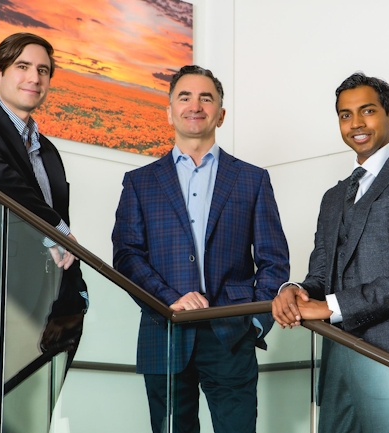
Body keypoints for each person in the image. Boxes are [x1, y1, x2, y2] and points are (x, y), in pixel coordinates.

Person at [112, 65, 289, 433]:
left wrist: (255, 321)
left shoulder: (252, 179)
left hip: (231, 335)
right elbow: (127, 256)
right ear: (169, 111)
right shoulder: (140, 183)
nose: (196, 105)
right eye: (185, 97)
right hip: (165, 332)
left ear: (221, 114)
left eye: (206, 98)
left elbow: (273, 259)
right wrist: (169, 299)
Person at [272, 72, 389, 433]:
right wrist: (294, 290)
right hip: (340, 362)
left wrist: (330, 307)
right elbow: (321, 275)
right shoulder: (333, 197)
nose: (356, 123)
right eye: (345, 114)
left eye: (367, 111)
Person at [0, 32, 88, 432]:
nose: (34, 77)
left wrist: (77, 291)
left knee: (31, 422)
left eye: (43, 70)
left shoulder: (50, 152)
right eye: (23, 67)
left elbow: (62, 225)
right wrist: (55, 228)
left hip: (51, 305)